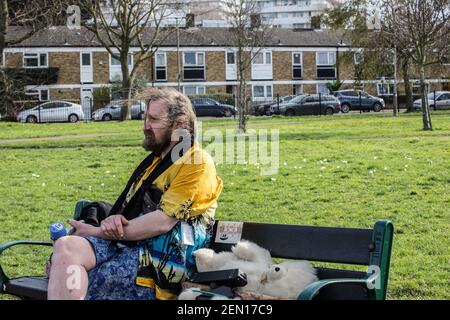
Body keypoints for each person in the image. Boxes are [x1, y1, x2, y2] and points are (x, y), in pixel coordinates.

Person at [47, 88, 223, 300]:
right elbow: (132, 211)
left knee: (74, 275)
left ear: (179, 124)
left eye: (153, 119)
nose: (145, 126)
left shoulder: (196, 162)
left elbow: (161, 223)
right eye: (145, 118)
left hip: (164, 263)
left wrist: (97, 232)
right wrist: (107, 222)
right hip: (131, 247)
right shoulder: (152, 163)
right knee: (66, 248)